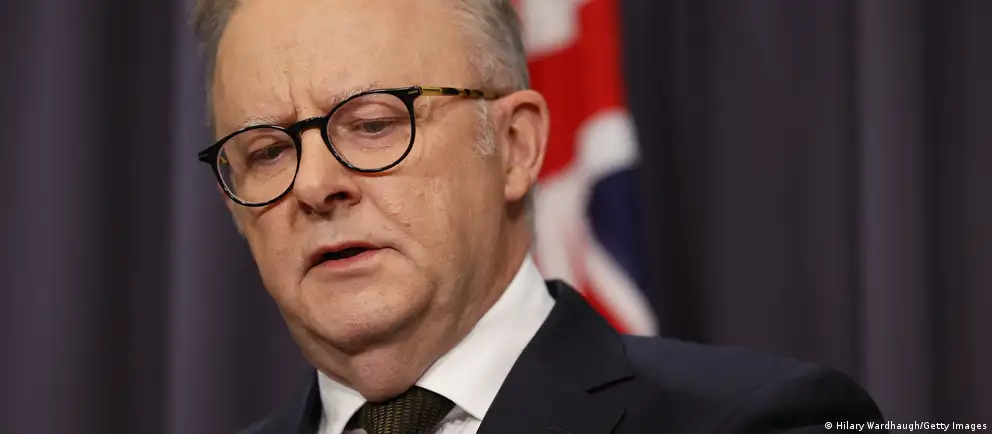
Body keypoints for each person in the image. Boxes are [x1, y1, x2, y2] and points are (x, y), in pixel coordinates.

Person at [191, 0, 886, 433]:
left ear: (516, 147)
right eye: (267, 152)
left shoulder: (765, 421)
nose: (315, 185)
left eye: (373, 124)